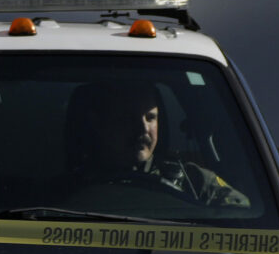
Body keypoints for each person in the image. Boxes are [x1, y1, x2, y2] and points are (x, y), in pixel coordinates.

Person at [62, 79, 251, 209]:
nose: (142, 129)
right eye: (127, 119)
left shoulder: (196, 182)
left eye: (150, 117)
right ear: (98, 124)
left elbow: (241, 217)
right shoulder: (60, 195)